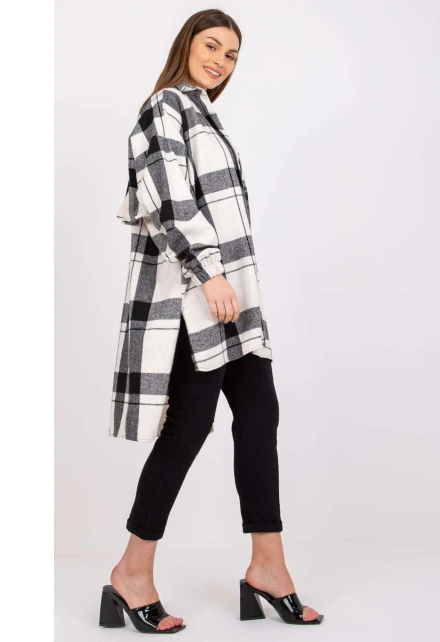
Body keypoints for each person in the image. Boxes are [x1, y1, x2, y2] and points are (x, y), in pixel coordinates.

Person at [100, 9, 323, 633]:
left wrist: (233, 284)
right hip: (195, 295)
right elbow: (170, 200)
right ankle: (130, 575)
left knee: (259, 414)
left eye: (231, 54)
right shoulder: (165, 106)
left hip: (233, 297)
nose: (221, 61)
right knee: (189, 426)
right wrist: (210, 273)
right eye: (212, 45)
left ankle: (268, 568)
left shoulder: (205, 116)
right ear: (187, 45)